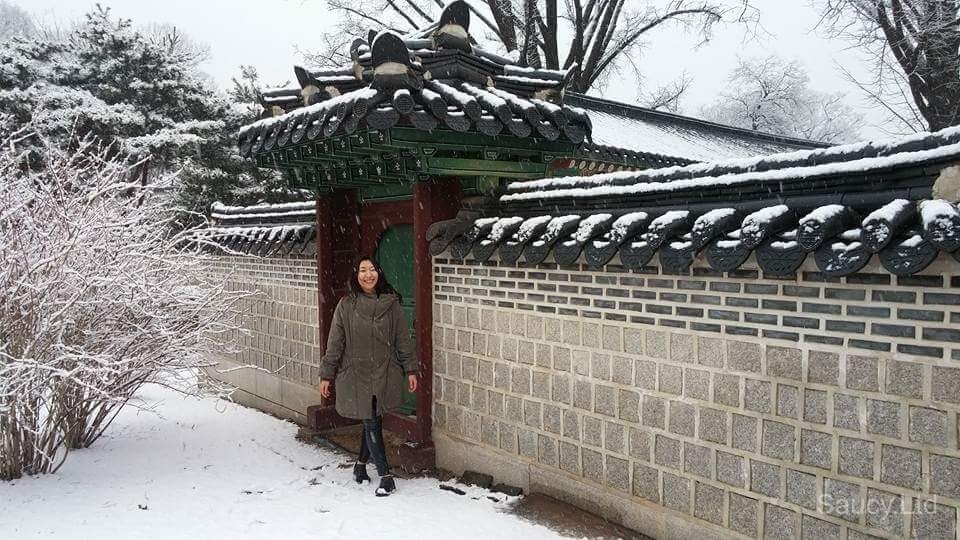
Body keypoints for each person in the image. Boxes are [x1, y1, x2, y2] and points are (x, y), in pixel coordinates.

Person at [319, 256, 418, 496]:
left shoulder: (391, 304)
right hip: (355, 374)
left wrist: (411, 369)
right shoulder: (346, 305)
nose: (367, 275)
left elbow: (402, 340)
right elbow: (335, 343)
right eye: (362, 270)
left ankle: (360, 466)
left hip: (384, 371)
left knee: (372, 418)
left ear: (379, 274)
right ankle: (385, 475)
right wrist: (326, 374)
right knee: (371, 419)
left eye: (372, 269)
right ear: (356, 275)